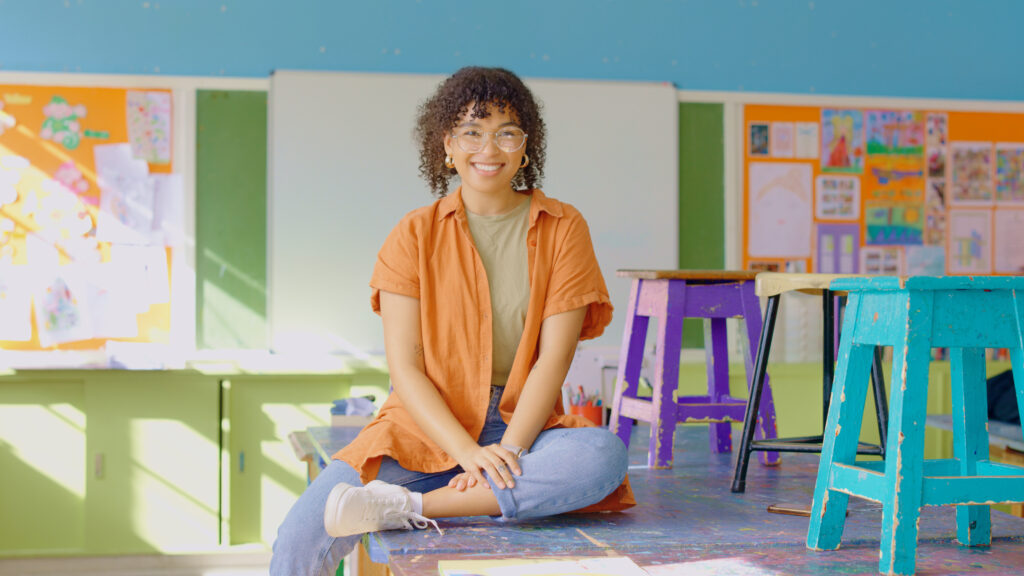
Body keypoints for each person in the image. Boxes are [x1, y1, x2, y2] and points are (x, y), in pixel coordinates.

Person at [270, 66, 632, 576]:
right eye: (472, 132)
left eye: (507, 132)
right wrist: (466, 452)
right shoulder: (413, 235)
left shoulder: (563, 226)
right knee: (298, 538)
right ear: (447, 145)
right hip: (422, 427)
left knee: (601, 455)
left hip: (522, 428)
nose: (490, 148)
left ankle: (410, 508)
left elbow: (554, 358)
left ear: (526, 144)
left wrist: (503, 452)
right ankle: (464, 493)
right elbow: (407, 370)